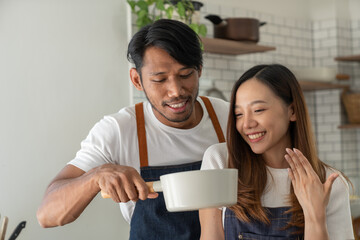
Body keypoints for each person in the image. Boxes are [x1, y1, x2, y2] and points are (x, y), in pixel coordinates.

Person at [36, 19, 229, 239]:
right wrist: (95, 177)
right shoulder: (118, 130)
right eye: (159, 79)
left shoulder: (228, 118)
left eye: (185, 75)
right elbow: (47, 214)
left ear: (199, 70)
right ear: (137, 80)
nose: (175, 91)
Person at [199, 64, 354, 240]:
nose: (247, 124)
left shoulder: (328, 182)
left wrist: (315, 217)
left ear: (292, 111)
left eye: (258, 110)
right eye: (239, 114)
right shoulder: (220, 161)